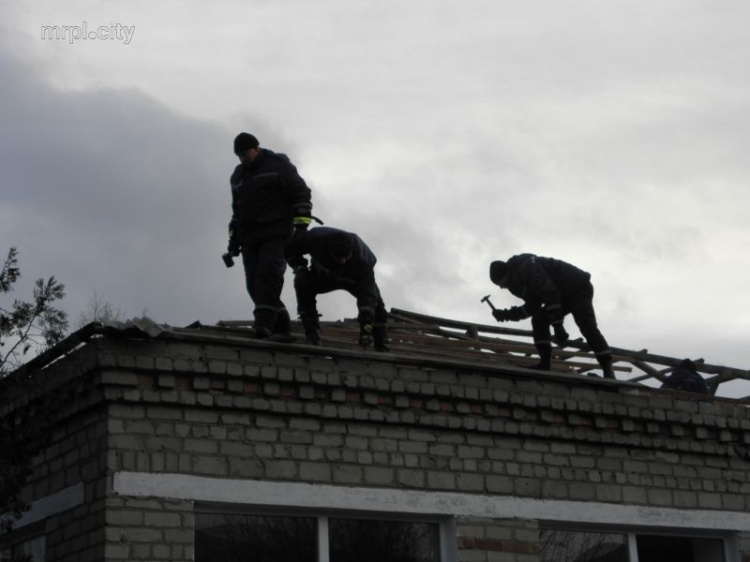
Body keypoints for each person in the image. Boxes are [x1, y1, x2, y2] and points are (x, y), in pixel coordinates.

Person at [226, 132, 313, 340]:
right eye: (239, 155)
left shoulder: (278, 165)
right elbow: (237, 211)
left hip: (275, 233)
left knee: (268, 276)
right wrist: (233, 241)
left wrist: (301, 227)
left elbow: (301, 192)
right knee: (253, 285)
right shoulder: (238, 175)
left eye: (245, 154)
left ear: (256, 148)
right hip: (249, 237)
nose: (242, 159)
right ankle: (281, 327)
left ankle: (263, 327)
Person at [488, 253, 616, 379]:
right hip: (561, 294)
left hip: (578, 287)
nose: (501, 287)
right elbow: (533, 306)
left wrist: (558, 326)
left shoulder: (527, 269)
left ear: (506, 275)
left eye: (500, 283)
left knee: (587, 326)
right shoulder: (514, 283)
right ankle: (544, 364)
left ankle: (608, 371)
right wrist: (506, 315)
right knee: (539, 319)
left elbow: (549, 294)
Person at [285, 226, 388, 350]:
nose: (342, 261)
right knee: (302, 282)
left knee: (377, 306)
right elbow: (289, 247)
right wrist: (299, 268)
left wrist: (366, 327)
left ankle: (380, 345)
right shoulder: (314, 238)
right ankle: (312, 335)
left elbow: (367, 298)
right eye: (338, 257)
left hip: (354, 280)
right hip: (324, 276)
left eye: (345, 257)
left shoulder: (364, 260)